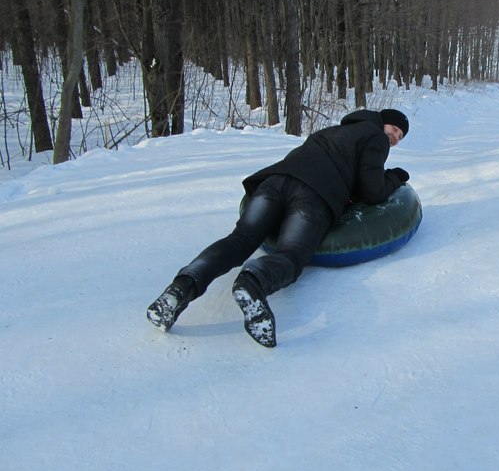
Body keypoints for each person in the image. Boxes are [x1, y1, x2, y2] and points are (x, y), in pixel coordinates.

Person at [146, 108, 411, 348]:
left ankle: (180, 288)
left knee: (240, 239)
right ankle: (253, 282)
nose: (395, 138)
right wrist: (395, 177)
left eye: (400, 136)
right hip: (313, 195)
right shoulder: (375, 137)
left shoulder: (334, 130)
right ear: (382, 122)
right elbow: (373, 191)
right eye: (395, 130)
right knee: (293, 254)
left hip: (273, 183)